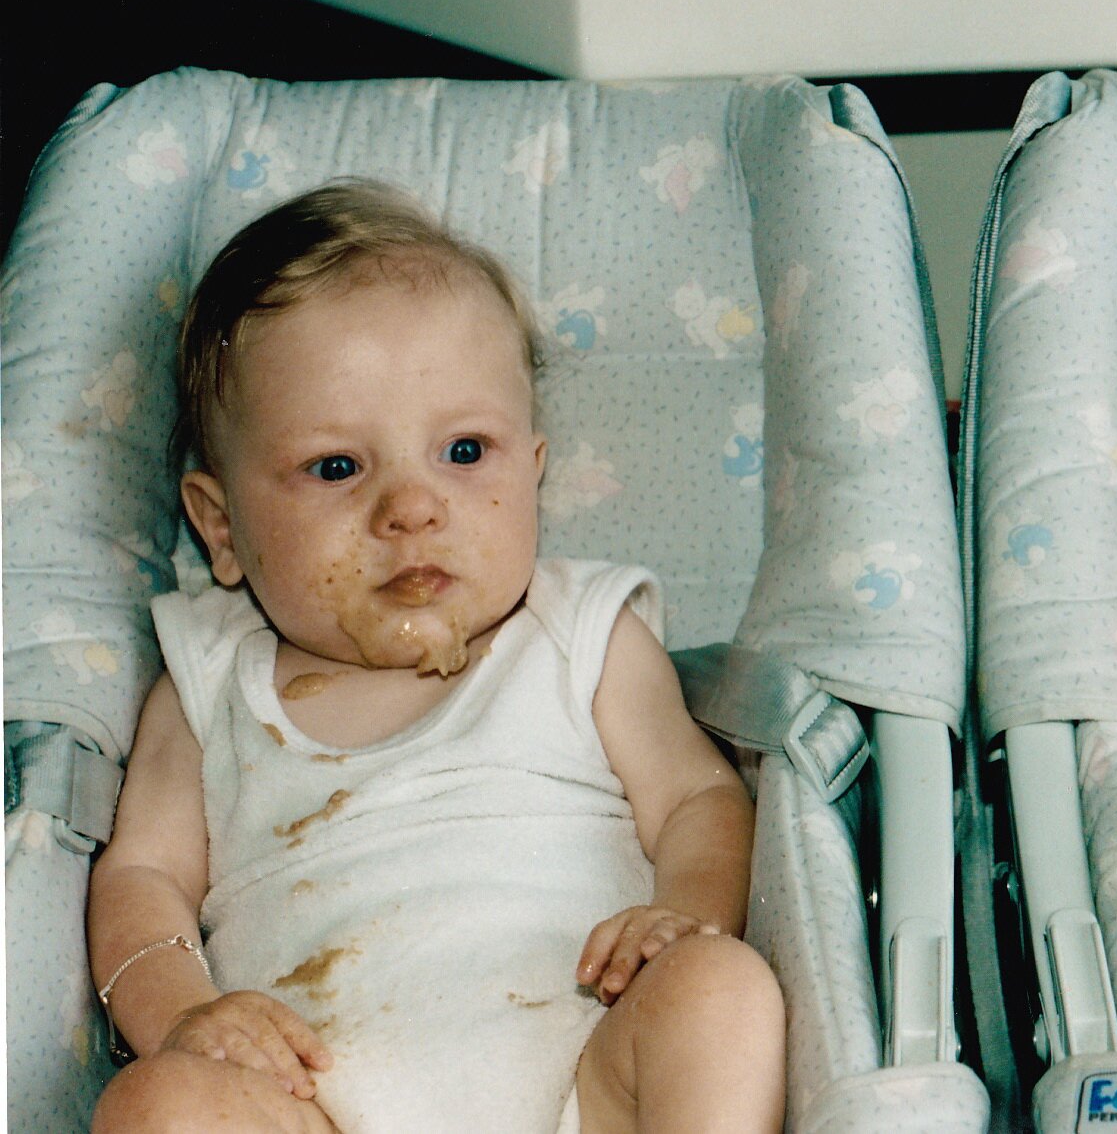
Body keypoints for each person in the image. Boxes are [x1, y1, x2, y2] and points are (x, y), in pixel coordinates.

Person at [87, 179, 785, 1133]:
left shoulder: (578, 633)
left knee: (718, 989)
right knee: (155, 1103)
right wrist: (184, 1018)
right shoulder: (210, 685)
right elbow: (142, 881)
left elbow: (700, 800)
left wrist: (682, 916)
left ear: (533, 472)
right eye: (337, 467)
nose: (412, 508)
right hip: (312, 1107)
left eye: (463, 452)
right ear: (221, 528)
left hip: (590, 1083)